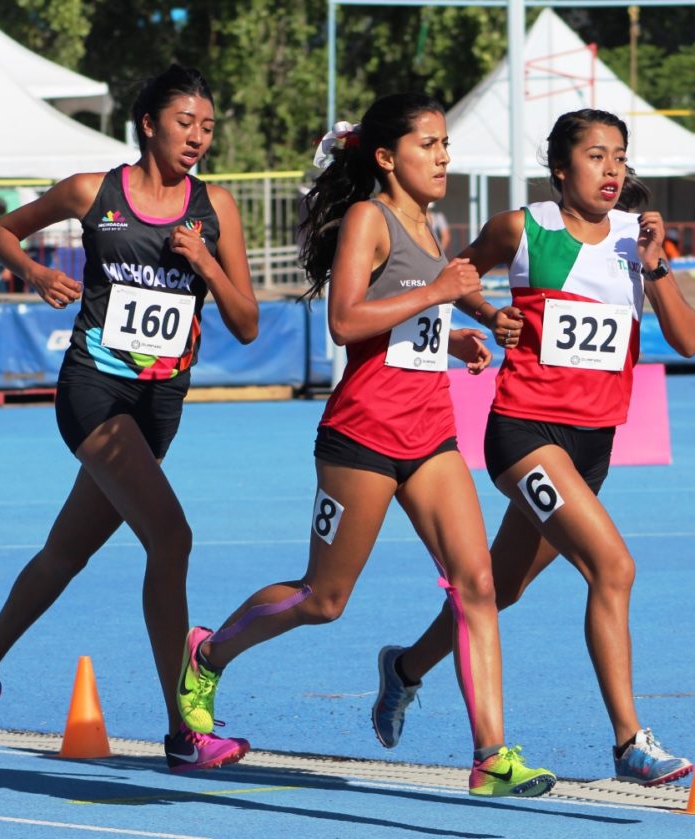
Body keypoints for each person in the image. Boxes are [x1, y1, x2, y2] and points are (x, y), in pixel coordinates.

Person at [174, 94, 556, 798]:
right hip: (362, 439)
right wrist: (440, 289)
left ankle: (491, 755)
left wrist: (463, 330)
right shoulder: (367, 219)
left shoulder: (428, 222)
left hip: (431, 433)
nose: (445, 156)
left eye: (446, 144)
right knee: (324, 598)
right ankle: (208, 651)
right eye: (429, 145)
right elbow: (348, 320)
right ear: (387, 157)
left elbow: (414, 320)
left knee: (478, 585)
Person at [371, 108, 695, 787]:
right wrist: (490, 316)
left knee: (498, 590)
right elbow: (450, 277)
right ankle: (629, 741)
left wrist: (657, 267)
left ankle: (404, 667)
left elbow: (690, 340)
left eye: (620, 157)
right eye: (596, 156)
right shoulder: (524, 229)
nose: (611, 170)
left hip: (591, 447)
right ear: (561, 168)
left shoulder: (635, 240)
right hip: (524, 434)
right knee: (613, 566)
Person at [0, 64, 260, 773]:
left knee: (68, 552)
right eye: (186, 123)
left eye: (208, 127)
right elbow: (3, 230)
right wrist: (34, 273)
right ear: (148, 123)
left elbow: (245, 322)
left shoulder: (217, 209)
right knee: (173, 538)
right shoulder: (95, 192)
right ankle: (184, 730)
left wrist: (207, 264)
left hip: (158, 408)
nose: (198, 137)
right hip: (92, 393)